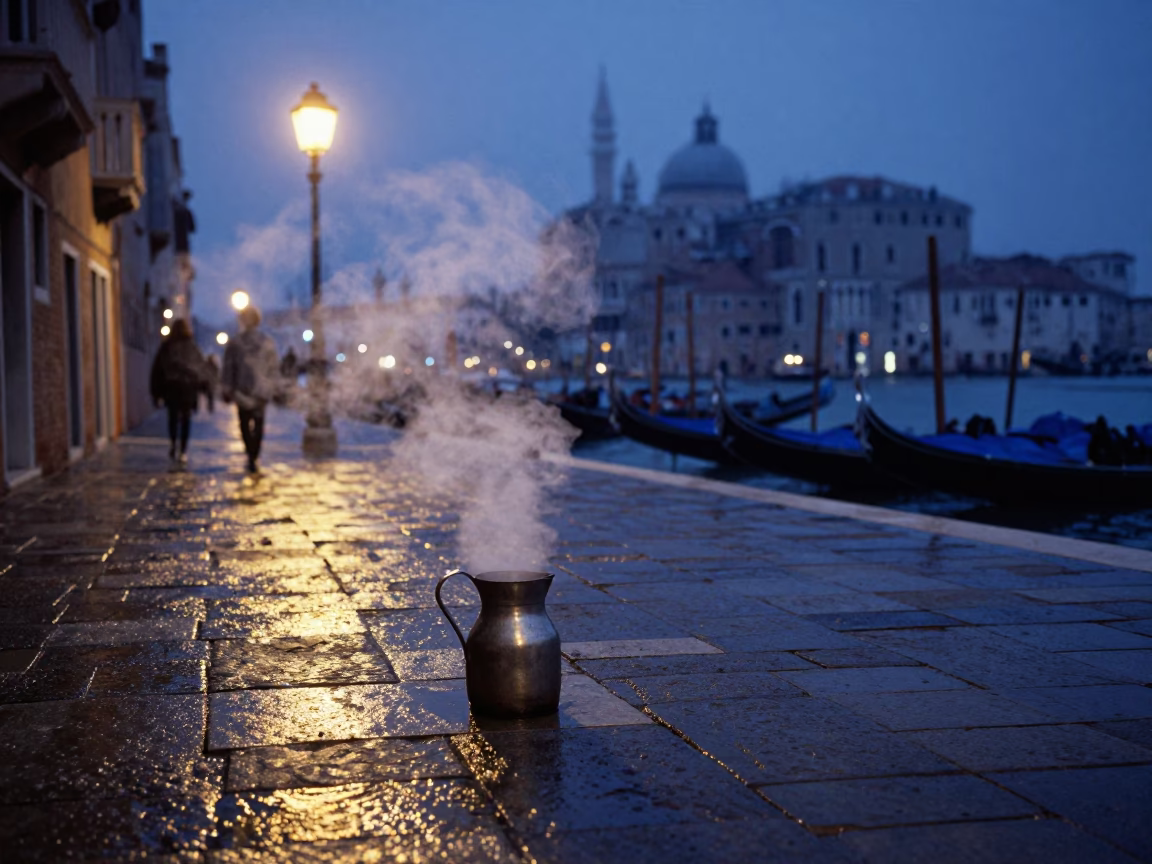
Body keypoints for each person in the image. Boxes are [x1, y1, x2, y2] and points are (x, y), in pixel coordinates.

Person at [221, 305, 280, 473]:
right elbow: (273, 367)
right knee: (258, 424)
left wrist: (228, 387)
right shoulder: (265, 341)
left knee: (245, 424)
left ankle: (251, 453)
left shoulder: (236, 342)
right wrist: (272, 385)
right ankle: (254, 454)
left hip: (243, 389)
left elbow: (228, 367)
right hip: (259, 390)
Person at [149, 318, 210, 465]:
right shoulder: (192, 347)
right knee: (186, 419)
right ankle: (183, 449)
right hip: (187, 388)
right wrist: (204, 387)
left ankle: (173, 444)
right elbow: (201, 369)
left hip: (172, 387)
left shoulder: (167, 347)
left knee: (173, 417)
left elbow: (157, 370)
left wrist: (156, 392)